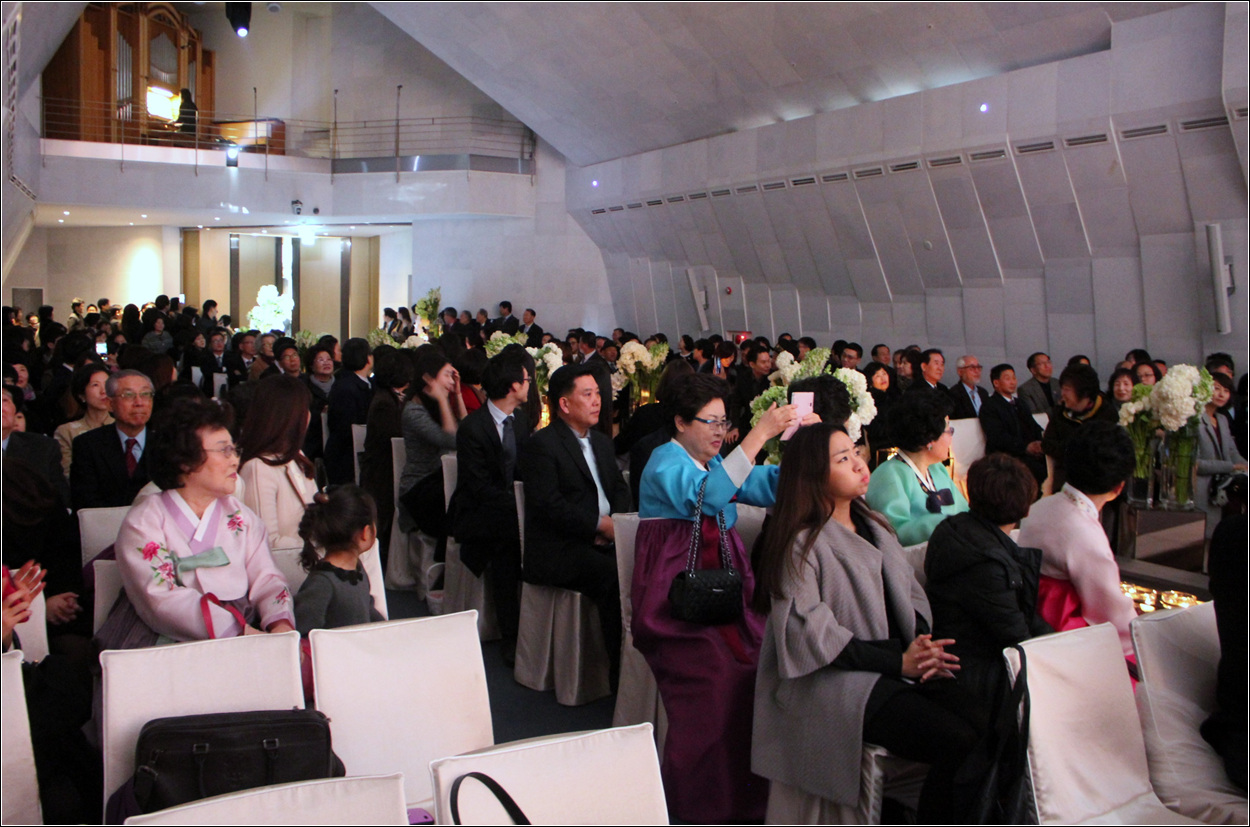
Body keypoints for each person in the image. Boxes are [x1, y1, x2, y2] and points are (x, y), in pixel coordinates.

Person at [752, 423, 983, 824]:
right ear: (813, 474)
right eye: (843, 459)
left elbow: (911, 595)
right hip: (833, 681)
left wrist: (919, 646)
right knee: (956, 738)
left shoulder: (875, 525)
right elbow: (812, 635)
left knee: (985, 716)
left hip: (892, 665)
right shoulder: (800, 543)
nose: (860, 464)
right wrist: (899, 661)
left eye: (856, 452)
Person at [631, 372, 802, 824]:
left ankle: (746, 805)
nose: (719, 432)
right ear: (680, 421)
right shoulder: (663, 461)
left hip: (722, 595)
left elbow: (765, 483)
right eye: (710, 422)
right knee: (718, 687)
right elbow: (708, 498)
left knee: (761, 671)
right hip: (677, 606)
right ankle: (699, 810)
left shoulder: (714, 461)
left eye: (724, 422)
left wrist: (809, 450)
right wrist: (758, 435)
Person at [96, 397, 295, 648]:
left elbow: (267, 579)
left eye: (234, 450)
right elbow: (159, 597)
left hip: (242, 623)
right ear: (185, 460)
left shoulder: (241, 516)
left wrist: (280, 626)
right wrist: (240, 633)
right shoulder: (144, 519)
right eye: (224, 450)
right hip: (161, 631)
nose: (234, 460)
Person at [519, 364, 631, 687]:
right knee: (613, 576)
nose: (597, 401)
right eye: (587, 394)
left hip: (606, 537)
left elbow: (620, 489)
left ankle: (641, 665)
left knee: (645, 566)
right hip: (561, 547)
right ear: (564, 404)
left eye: (598, 393)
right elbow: (549, 506)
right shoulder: (543, 445)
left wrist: (615, 524)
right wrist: (598, 526)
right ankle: (618, 673)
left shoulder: (602, 442)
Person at [925, 453, 1052, 708]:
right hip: (974, 676)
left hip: (964, 659)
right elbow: (1017, 638)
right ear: (1025, 509)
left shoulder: (954, 528)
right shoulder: (987, 564)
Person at [1018, 420, 1138, 660]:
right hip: (1068, 641)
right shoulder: (1085, 534)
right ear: (1118, 487)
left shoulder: (1038, 508)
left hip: (1032, 626)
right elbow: (1111, 616)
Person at [453, 356, 531, 665]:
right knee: (506, 542)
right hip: (480, 511)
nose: (529, 386)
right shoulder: (473, 427)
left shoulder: (521, 420)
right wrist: (518, 508)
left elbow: (525, 471)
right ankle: (511, 635)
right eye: (527, 380)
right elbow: (478, 487)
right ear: (513, 386)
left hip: (513, 507)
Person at [865, 390, 968, 545]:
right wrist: (945, 524)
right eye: (949, 431)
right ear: (930, 439)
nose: (951, 438)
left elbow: (965, 513)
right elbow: (894, 532)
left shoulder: (937, 469)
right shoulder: (889, 474)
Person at [398, 346, 467, 556]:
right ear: (429, 379)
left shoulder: (434, 406)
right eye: (447, 375)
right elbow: (452, 441)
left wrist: (458, 394)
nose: (451, 381)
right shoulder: (413, 411)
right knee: (461, 503)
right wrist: (444, 400)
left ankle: (453, 562)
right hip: (418, 488)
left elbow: (467, 433)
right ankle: (445, 562)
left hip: (437, 482)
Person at [238, 375, 318, 551]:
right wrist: (323, 551)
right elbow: (268, 543)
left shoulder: (297, 456)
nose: (308, 415)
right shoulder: (258, 468)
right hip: (287, 563)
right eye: (304, 409)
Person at [293, 486, 384, 637]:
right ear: (366, 532)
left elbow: (368, 610)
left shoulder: (356, 569)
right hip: (336, 652)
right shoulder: (322, 583)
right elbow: (303, 634)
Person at [70, 370, 153, 510]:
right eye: (128, 395)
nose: (139, 402)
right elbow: (85, 501)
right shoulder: (87, 445)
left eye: (145, 394)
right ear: (110, 404)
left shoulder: (168, 444)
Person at [360, 350, 413, 562]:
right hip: (382, 470)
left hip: (384, 467)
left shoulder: (390, 397)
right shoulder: (384, 403)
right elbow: (395, 437)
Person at [1040, 363, 1117, 494]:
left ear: (1084, 392)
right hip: (1065, 480)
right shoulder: (1060, 413)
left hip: (1098, 481)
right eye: (1062, 389)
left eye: (1067, 389)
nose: (1062, 394)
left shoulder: (1106, 414)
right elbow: (1047, 444)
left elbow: (1102, 452)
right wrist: (1074, 450)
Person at [979, 363, 1046, 486]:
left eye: (1014, 378)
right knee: (1038, 470)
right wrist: (1026, 447)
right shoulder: (989, 406)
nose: (1013, 382)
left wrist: (1040, 442)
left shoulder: (1020, 403)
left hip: (1028, 453)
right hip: (1006, 456)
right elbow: (998, 437)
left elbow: (1033, 426)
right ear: (996, 383)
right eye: (1007, 378)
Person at [1197, 372, 1247, 538]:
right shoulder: (1193, 419)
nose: (1221, 394)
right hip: (1201, 489)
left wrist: (1246, 466)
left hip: (1222, 490)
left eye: (1226, 390)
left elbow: (1232, 453)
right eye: (1216, 388)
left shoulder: (1222, 419)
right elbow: (1196, 464)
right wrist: (1231, 467)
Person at [324, 338, 373, 486]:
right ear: (367, 359)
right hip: (346, 458)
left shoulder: (360, 383)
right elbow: (345, 429)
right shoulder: (346, 387)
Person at [53, 362, 114, 479]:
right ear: (81, 395)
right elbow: (67, 474)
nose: (103, 391)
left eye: (107, 384)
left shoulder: (122, 427)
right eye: (95, 385)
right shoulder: (67, 431)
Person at [300, 342, 335, 461]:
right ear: (311, 365)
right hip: (312, 442)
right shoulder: (303, 386)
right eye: (321, 360)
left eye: (329, 359)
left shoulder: (340, 385)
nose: (326, 363)